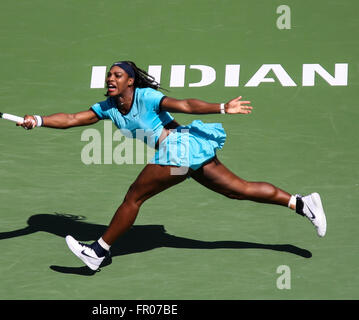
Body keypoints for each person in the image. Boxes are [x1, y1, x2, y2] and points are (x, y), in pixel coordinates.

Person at [18, 61, 327, 271]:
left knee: (134, 197)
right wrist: (39, 120)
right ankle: (301, 203)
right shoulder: (108, 108)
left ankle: (98, 251)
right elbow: (72, 119)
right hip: (187, 149)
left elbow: (186, 105)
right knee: (238, 190)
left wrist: (222, 107)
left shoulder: (147, 96)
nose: (110, 79)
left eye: (116, 75)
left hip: (178, 148)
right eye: (108, 75)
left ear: (130, 80)